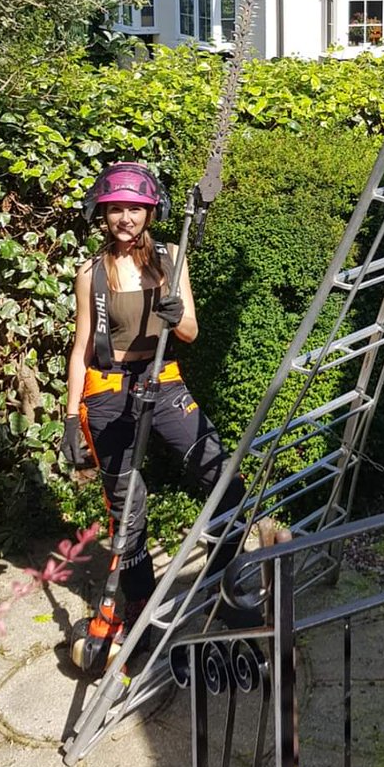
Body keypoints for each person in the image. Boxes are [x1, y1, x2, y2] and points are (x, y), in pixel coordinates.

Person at [62, 161, 244, 642]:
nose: (125, 217)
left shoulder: (170, 257)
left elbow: (190, 333)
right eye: (116, 208)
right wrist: (68, 418)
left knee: (220, 473)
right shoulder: (90, 273)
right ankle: (141, 597)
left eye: (135, 208)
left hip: (162, 380)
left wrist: (176, 311)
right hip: (107, 391)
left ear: (151, 211)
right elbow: (81, 349)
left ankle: (225, 577)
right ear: (102, 213)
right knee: (127, 504)